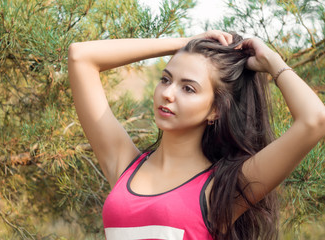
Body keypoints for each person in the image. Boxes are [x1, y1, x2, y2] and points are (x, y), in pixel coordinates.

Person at [67, 30, 325, 240]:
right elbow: (81, 56)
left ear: (215, 110)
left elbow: (314, 120)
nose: (168, 93)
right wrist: (185, 44)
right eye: (166, 79)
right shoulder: (124, 165)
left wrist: (272, 62)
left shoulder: (225, 188)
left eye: (188, 88)